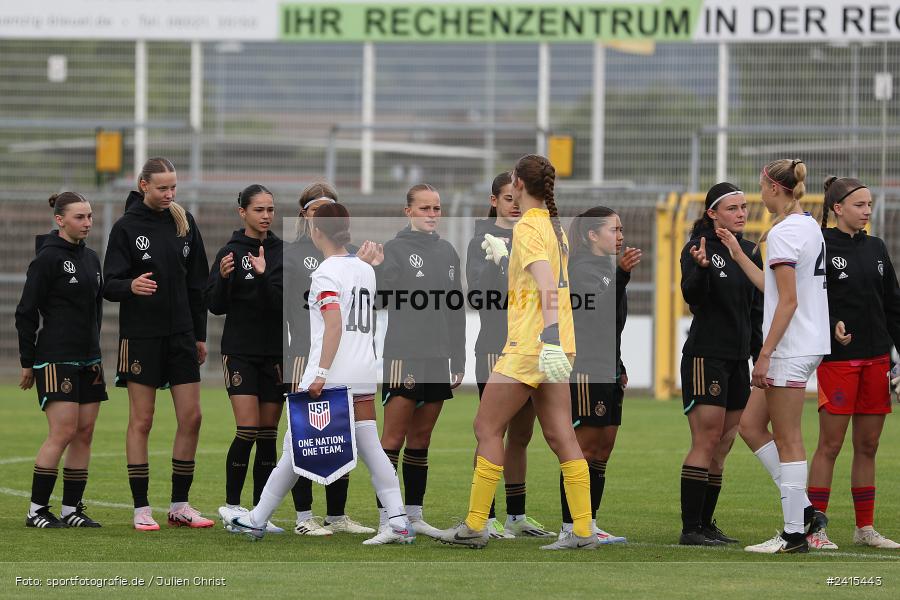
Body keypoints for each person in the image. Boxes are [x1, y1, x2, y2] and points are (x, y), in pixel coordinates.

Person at [220, 203, 412, 545]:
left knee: (296, 448)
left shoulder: (325, 273)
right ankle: (397, 520)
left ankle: (256, 519)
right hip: (363, 371)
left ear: (315, 232)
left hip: (333, 372)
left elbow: (334, 325)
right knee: (368, 446)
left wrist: (320, 373)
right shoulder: (365, 269)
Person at [438, 154, 596, 550]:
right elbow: (542, 280)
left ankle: (476, 525)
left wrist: (551, 338)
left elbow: (545, 286)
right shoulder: (553, 227)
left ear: (519, 185)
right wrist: (506, 260)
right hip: (554, 345)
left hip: (531, 345)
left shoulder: (527, 225)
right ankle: (582, 530)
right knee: (562, 435)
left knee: (486, 428)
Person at [717, 159, 830, 554]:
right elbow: (776, 289)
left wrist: (764, 355)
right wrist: (737, 253)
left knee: (788, 438)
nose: (758, 195)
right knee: (750, 424)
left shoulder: (783, 233)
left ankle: (794, 533)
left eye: (761, 188)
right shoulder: (809, 226)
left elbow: (788, 303)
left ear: (774, 189)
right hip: (806, 342)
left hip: (791, 346)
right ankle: (807, 513)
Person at [103, 157, 214, 531]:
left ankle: (180, 505)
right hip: (141, 337)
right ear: (143, 185)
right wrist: (129, 286)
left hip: (181, 335)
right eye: (162, 187)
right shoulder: (125, 228)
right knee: (143, 419)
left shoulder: (184, 222)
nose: (169, 194)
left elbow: (198, 283)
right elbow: (109, 283)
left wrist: (199, 334)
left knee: (193, 417)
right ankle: (141, 507)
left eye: (174, 187)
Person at [357, 183, 465, 539]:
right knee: (393, 439)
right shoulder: (394, 249)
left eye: (436, 208)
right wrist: (374, 270)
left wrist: (459, 357)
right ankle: (389, 520)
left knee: (422, 440)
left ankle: (415, 516)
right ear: (408, 212)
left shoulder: (449, 252)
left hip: (438, 358)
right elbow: (381, 299)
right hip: (403, 355)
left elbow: (455, 310)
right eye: (425, 208)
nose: (432, 214)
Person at [805, 176, 900, 549]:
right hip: (839, 362)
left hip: (877, 360)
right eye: (860, 205)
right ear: (837, 208)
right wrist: (832, 327)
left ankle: (865, 529)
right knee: (830, 445)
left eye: (870, 205)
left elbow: (893, 306)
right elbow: (808, 302)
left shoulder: (876, 247)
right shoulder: (821, 246)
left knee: (869, 445)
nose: (867, 212)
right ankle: (816, 529)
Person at [464, 172, 552, 539]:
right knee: (491, 430)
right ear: (494, 201)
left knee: (521, 436)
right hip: (496, 346)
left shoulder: (532, 233)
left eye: (517, 198)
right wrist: (496, 264)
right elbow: (477, 297)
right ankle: (485, 516)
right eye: (506, 199)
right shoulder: (481, 241)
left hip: (530, 346)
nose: (514, 205)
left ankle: (517, 514)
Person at [282, 182, 372, 536]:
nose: (322, 214)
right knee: (303, 436)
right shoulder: (291, 255)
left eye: (329, 207)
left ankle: (337, 515)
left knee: (342, 434)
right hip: (304, 355)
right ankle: (304, 517)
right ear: (305, 215)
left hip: (341, 358)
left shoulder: (346, 255)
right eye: (316, 208)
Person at [677, 183, 761, 546]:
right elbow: (692, 298)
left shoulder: (749, 251)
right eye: (733, 208)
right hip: (705, 356)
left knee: (725, 444)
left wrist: (759, 357)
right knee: (707, 439)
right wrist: (699, 271)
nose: (742, 213)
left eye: (744, 207)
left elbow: (755, 311)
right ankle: (691, 528)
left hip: (737, 360)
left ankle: (707, 524)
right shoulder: (699, 247)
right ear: (713, 213)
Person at [16, 192, 106, 528]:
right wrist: (28, 362)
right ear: (60, 220)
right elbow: (25, 313)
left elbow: (96, 307)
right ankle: (36, 510)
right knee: (64, 431)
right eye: (80, 217)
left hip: (89, 359)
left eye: (90, 216)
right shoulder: (47, 260)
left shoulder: (92, 258)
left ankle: (71, 510)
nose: (87, 223)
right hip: (56, 358)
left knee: (84, 432)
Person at [558, 206, 640, 544]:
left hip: (607, 369)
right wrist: (620, 275)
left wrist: (618, 364)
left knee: (603, 450)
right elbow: (592, 317)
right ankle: (571, 526)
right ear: (592, 235)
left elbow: (612, 328)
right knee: (584, 450)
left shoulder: (607, 269)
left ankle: (589, 523)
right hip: (586, 370)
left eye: (621, 230)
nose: (620, 236)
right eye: (613, 230)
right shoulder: (578, 269)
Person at [206, 184, 285, 534]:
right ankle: (233, 507)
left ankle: (259, 516)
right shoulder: (230, 252)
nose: (266, 216)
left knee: (269, 434)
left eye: (270, 209)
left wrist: (266, 273)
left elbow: (282, 305)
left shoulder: (282, 252)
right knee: (248, 429)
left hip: (275, 354)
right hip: (239, 351)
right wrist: (223, 280)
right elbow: (216, 305)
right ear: (243, 212)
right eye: (259, 210)